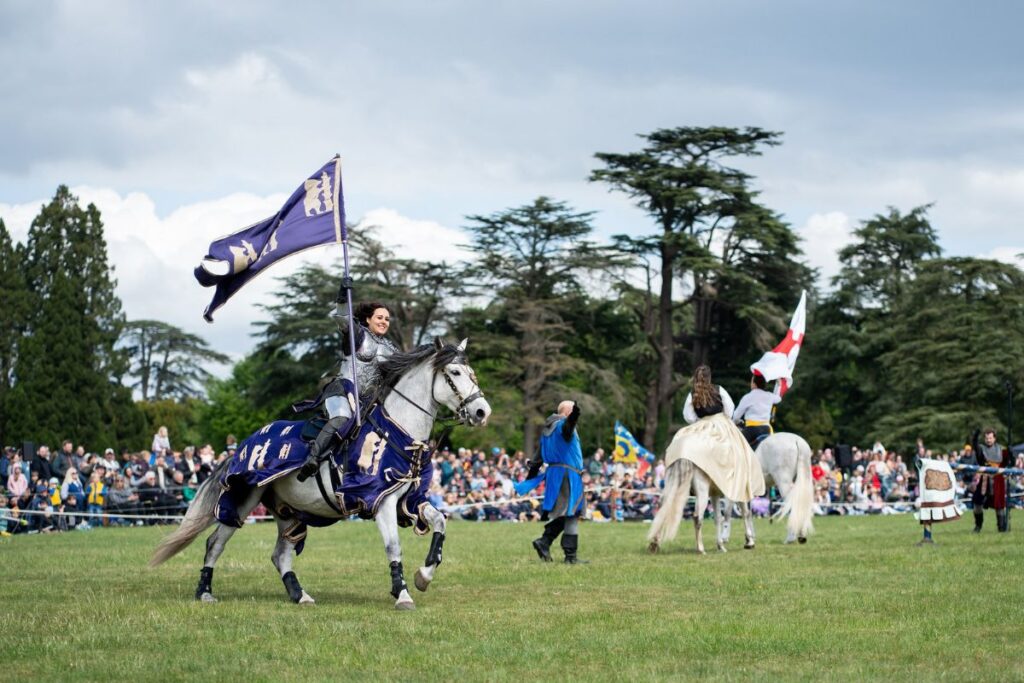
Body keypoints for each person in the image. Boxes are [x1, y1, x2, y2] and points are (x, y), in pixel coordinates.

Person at [298, 300, 399, 480]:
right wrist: (343, 297)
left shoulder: (391, 349)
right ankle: (312, 457)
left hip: (366, 403)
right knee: (341, 418)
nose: (384, 321)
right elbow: (343, 319)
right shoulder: (358, 335)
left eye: (387, 319)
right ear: (368, 319)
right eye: (380, 317)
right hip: (342, 391)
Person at [669, 365, 765, 503]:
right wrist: (724, 419)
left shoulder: (692, 394)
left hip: (701, 424)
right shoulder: (719, 389)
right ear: (710, 377)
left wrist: (699, 421)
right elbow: (730, 409)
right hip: (721, 423)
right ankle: (736, 481)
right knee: (740, 452)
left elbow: (688, 416)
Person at [514, 400, 588, 564]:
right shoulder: (563, 426)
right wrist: (575, 414)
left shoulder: (547, 431)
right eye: (573, 414)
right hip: (567, 475)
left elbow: (537, 460)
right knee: (571, 512)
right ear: (568, 413)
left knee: (566, 512)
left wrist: (529, 480)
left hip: (556, 475)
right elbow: (569, 427)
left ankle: (555, 548)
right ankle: (558, 550)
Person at [971, 427, 1010, 533]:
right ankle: (978, 526)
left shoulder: (1002, 450)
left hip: (998, 481)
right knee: (977, 503)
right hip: (985, 480)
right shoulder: (981, 449)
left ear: (994, 438)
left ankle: (1001, 527)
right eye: (987, 438)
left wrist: (1010, 452)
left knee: (999, 505)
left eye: (990, 438)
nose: (988, 440)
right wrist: (975, 437)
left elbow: (1008, 462)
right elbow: (975, 446)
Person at [732, 372, 781, 448]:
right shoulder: (769, 396)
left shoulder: (748, 397)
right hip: (766, 429)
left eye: (752, 381)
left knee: (737, 449)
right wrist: (778, 384)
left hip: (751, 429)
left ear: (754, 384)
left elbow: (736, 416)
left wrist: (736, 421)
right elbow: (778, 398)